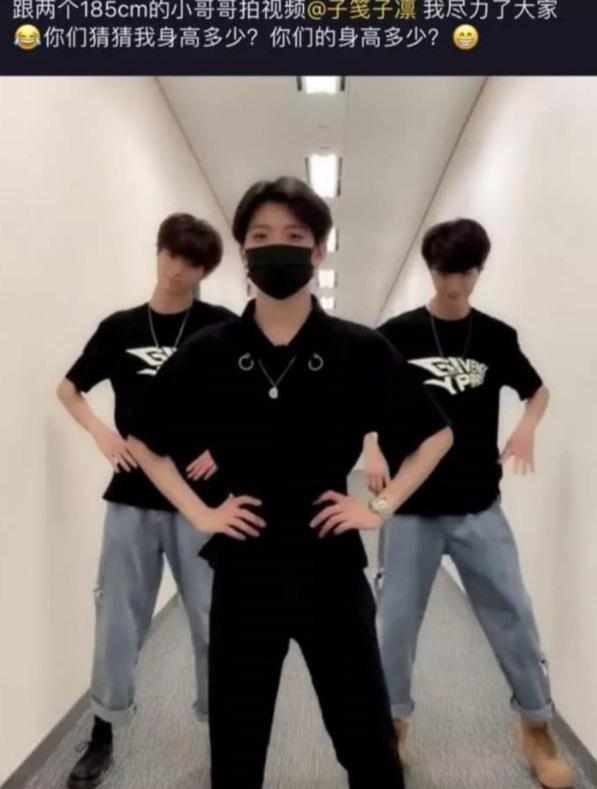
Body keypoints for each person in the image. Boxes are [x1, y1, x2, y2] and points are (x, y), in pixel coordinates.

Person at [128, 176, 453, 789]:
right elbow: (144, 439)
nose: (277, 248)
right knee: (237, 744)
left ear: (319, 250)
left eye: (295, 237)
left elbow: (435, 436)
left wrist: (379, 506)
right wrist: (200, 514)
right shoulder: (209, 351)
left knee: (367, 740)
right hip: (244, 567)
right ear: (243, 251)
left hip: (330, 566)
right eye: (261, 237)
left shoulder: (360, 349)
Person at [365, 218, 572, 789]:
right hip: (410, 511)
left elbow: (537, 391)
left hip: (479, 506)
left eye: (465, 273)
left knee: (514, 615)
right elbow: (365, 400)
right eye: (443, 272)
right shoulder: (397, 334)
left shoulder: (496, 338)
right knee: (395, 625)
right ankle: (393, 723)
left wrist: (527, 427)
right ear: (430, 270)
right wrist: (372, 447)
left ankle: (536, 726)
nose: (454, 285)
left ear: (479, 271)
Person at [57, 214, 235, 789]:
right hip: (132, 496)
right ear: (159, 252)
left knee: (212, 618)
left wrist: (226, 449)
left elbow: (259, 399)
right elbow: (69, 389)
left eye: (193, 263)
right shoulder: (120, 328)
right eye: (172, 255)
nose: (178, 269)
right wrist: (101, 434)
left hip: (200, 502)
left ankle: (224, 733)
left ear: (204, 271)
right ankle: (103, 731)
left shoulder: (220, 327)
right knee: (117, 616)